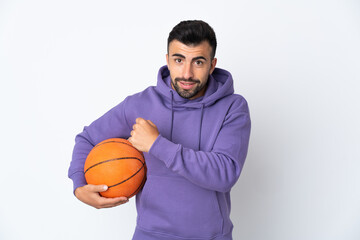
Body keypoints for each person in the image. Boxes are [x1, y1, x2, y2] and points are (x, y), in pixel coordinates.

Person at [68, 20, 251, 240]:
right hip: (149, 235)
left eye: (198, 62)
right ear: (168, 60)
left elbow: (225, 173)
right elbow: (87, 138)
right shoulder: (139, 104)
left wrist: (157, 144)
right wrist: (79, 185)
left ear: (212, 65)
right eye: (179, 60)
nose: (187, 73)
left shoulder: (233, 107)